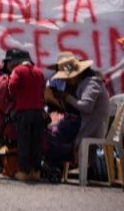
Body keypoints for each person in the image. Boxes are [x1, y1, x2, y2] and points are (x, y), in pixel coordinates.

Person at [44, 52, 111, 178]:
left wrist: (67, 98)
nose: (66, 81)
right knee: (50, 129)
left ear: (76, 74)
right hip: (83, 124)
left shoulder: (92, 83)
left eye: (67, 78)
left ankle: (54, 167)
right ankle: (54, 166)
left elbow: (86, 106)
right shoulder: (83, 83)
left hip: (90, 127)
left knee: (53, 133)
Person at [6, 50, 45, 182]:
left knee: (24, 142)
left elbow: (12, 85)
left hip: (24, 111)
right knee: (36, 143)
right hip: (39, 111)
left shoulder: (18, 70)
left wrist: (14, 93)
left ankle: (23, 171)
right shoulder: (39, 71)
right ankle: (36, 171)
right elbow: (42, 89)